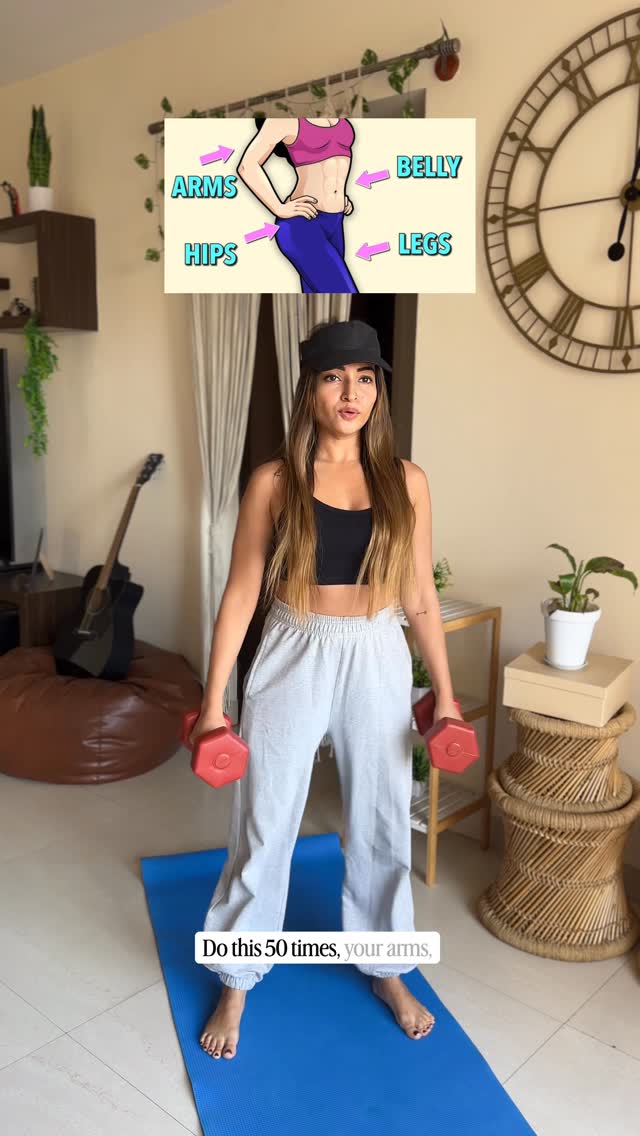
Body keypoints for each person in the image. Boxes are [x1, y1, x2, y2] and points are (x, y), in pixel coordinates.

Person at [193, 319, 462, 1061]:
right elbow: (241, 594)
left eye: (366, 378)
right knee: (266, 817)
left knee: (382, 817)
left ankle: (386, 967)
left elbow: (420, 597)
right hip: (294, 647)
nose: (352, 392)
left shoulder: (406, 481)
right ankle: (237, 977)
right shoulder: (275, 481)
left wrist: (445, 695)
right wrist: (213, 704)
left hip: (376, 650)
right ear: (309, 388)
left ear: (378, 390)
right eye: (335, 377)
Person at [236, 117, 358, 293]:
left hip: (336, 222)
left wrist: (338, 197)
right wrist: (278, 207)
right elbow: (247, 166)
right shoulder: (282, 120)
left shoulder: (338, 114)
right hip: (302, 225)